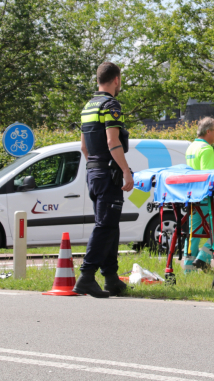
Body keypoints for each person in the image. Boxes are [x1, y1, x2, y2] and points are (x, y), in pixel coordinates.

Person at [74, 62, 134, 298]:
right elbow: (112, 142)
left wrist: (95, 167)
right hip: (108, 173)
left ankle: (111, 278)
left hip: (94, 172)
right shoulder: (111, 105)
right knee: (106, 225)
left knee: (109, 225)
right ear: (116, 79)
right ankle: (86, 276)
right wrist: (125, 171)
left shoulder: (88, 106)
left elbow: (83, 146)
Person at [183, 117, 214, 273]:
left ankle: (188, 270)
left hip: (193, 196)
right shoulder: (206, 149)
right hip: (205, 197)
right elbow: (209, 176)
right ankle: (203, 259)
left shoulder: (191, 148)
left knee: (193, 233)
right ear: (208, 131)